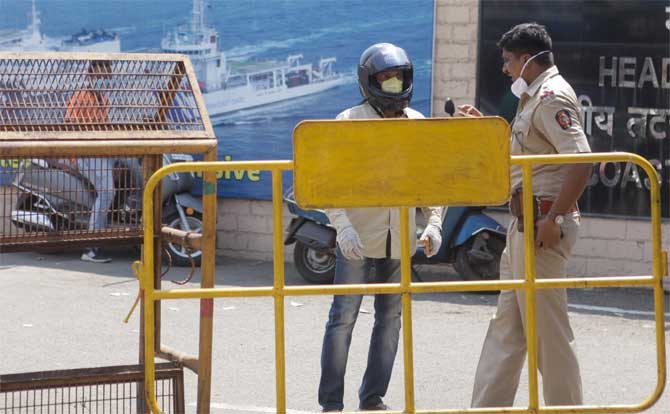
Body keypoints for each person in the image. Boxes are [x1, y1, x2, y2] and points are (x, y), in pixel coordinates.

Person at [458, 23, 592, 407]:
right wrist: (485, 126)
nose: (505, 69)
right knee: (508, 328)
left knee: (549, 335)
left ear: (528, 60)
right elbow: (528, 149)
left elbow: (581, 162)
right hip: (524, 224)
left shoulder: (551, 98)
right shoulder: (533, 97)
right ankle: (487, 407)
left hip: (542, 226)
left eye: (508, 61)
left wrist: (555, 220)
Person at [318, 43, 443, 412]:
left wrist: (434, 222)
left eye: (399, 77)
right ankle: (330, 403)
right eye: (386, 78)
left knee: (390, 320)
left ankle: (372, 399)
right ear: (368, 82)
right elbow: (328, 182)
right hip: (357, 237)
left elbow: (431, 182)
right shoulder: (348, 122)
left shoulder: (419, 124)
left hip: (399, 238)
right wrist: (342, 227)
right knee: (343, 317)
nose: (393, 84)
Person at [65, 60, 115, 263]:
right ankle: (90, 244)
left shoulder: (104, 100)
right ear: (91, 76)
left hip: (102, 153)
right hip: (86, 154)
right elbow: (69, 125)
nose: (102, 80)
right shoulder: (80, 97)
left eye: (106, 76)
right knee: (108, 192)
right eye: (99, 76)